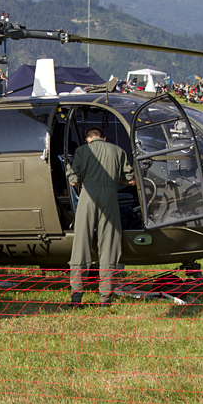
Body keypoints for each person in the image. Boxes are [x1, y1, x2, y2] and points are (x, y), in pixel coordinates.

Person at [66, 126, 137, 306]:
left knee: (81, 245)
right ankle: (105, 298)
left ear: (87, 139)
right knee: (109, 245)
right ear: (103, 138)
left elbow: (73, 181)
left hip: (87, 197)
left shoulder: (82, 151)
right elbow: (131, 180)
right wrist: (112, 179)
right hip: (109, 197)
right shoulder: (118, 151)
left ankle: (76, 298)